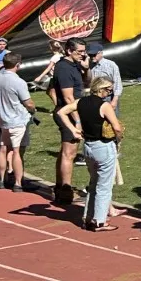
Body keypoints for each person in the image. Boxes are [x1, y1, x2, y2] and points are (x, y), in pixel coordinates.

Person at [56, 73, 124, 231]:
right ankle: (99, 221)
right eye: (109, 90)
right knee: (104, 186)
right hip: (104, 146)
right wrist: (119, 139)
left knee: (94, 183)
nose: (110, 93)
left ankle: (88, 217)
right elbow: (117, 127)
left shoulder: (80, 102)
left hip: (88, 147)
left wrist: (73, 129)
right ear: (102, 90)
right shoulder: (104, 106)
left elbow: (61, 112)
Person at [49, 39, 88, 206]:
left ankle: (60, 187)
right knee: (69, 153)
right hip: (70, 115)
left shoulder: (73, 65)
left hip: (67, 112)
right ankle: (66, 191)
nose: (83, 54)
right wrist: (77, 121)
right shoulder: (64, 68)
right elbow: (68, 98)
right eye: (79, 52)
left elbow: (50, 89)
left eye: (84, 51)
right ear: (69, 51)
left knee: (65, 151)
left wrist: (86, 66)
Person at [0, 53, 36, 192]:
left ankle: (1, 179)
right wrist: (33, 109)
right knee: (17, 151)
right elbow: (28, 102)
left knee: (3, 148)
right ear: (18, 65)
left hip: (3, 120)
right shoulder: (19, 82)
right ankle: (18, 182)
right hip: (18, 120)